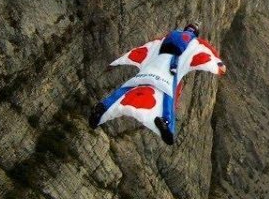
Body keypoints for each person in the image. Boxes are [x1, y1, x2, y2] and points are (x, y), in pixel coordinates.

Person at [90, 22, 226, 145]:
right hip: (169, 72)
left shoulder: (165, 38)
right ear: (195, 32)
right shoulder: (195, 43)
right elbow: (208, 53)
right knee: (168, 96)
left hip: (150, 68)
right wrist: (219, 65)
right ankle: (166, 123)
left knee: (127, 88)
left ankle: (103, 107)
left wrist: (117, 62)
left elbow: (142, 49)